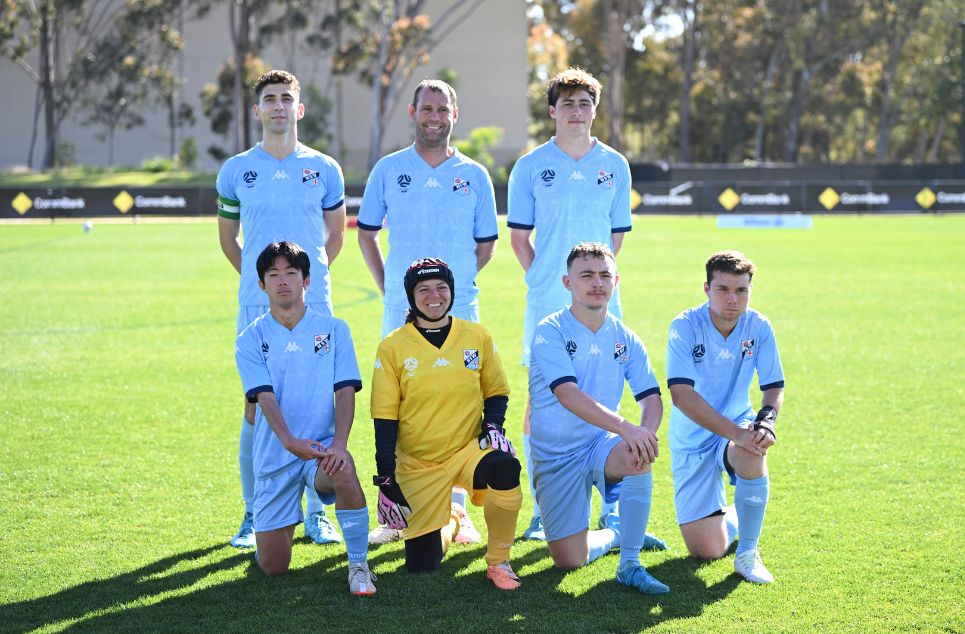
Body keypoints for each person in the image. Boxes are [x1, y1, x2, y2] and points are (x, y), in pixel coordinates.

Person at [358, 78, 498, 544]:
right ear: (411, 113)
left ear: (455, 115)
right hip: (401, 312)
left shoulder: (475, 174)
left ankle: (459, 509)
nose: (435, 117)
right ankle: (394, 509)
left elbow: (486, 245)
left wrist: (448, 294)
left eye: (443, 109)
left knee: (462, 403)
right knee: (398, 404)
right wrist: (391, 290)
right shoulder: (388, 169)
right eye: (427, 109)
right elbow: (366, 233)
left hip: (460, 313)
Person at [217, 69, 346, 548]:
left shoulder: (324, 168)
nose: (278, 106)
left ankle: (318, 514)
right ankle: (253, 515)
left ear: (300, 108)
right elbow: (229, 241)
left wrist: (303, 286)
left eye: (286, 98)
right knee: (254, 406)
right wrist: (267, 288)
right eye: (269, 99)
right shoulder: (236, 169)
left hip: (314, 303)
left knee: (317, 404)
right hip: (257, 304)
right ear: (257, 110)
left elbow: (336, 236)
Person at [507, 67, 634, 540]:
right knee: (541, 399)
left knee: (606, 394)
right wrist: (545, 278)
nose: (576, 111)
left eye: (585, 104)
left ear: (594, 111)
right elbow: (519, 237)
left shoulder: (615, 165)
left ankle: (612, 505)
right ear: (552, 111)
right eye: (568, 104)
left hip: (602, 301)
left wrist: (595, 283)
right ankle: (544, 508)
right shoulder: (530, 166)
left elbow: (616, 235)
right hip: (546, 301)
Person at [370, 258, 522, 590]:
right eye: (423, 289)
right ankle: (451, 520)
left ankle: (499, 562)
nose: (434, 296)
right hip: (418, 462)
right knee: (422, 567)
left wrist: (493, 427)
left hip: (468, 450)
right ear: (411, 297)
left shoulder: (476, 336)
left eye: (442, 287)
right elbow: (384, 416)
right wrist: (386, 476)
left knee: (505, 467)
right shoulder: (393, 346)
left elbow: (496, 391)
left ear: (452, 291)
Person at [234, 241, 375, 595]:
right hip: (276, 455)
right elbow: (263, 397)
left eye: (291, 273)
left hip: (320, 450)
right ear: (262, 285)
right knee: (274, 568)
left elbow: (345, 391)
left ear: (307, 281)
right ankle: (273, 530)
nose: (283, 281)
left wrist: (339, 445)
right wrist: (289, 442)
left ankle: (359, 565)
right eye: (273, 274)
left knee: (343, 468)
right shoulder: (250, 338)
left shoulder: (335, 329)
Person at [528, 243, 669, 595]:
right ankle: (617, 533)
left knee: (638, 456)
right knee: (568, 560)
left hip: (600, 444)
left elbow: (651, 397)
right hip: (557, 454)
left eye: (605, 275)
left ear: (616, 281)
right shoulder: (551, 331)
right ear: (567, 282)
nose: (597, 283)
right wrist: (625, 427)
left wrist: (643, 436)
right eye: (587, 275)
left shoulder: (626, 337)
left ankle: (631, 565)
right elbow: (568, 394)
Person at [665, 250, 785, 583]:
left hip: (736, 428)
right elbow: (681, 397)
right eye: (723, 289)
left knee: (751, 450)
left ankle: (747, 553)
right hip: (692, 437)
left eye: (741, 291)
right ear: (706, 288)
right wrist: (738, 432)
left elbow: (774, 387)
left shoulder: (759, 325)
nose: (733, 299)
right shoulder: (685, 325)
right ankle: (740, 512)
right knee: (707, 550)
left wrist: (765, 424)